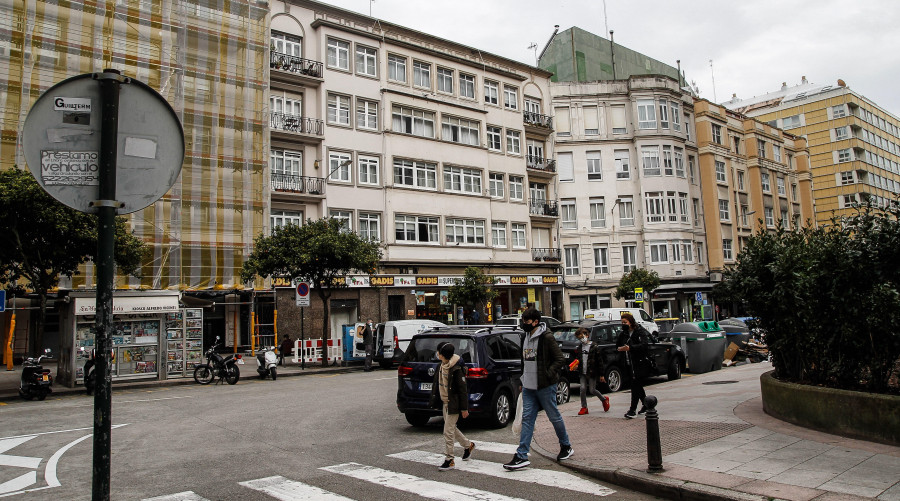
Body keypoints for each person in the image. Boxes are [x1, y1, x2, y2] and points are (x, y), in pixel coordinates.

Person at [504, 307, 573, 471]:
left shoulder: (546, 337)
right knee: (527, 419)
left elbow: (560, 359)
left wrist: (548, 375)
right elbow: (524, 360)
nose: (524, 324)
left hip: (544, 386)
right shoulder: (525, 336)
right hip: (528, 386)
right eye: (523, 321)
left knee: (553, 416)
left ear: (536, 322)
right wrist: (523, 378)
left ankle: (566, 446)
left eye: (526, 321)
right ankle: (521, 455)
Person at [428, 342, 475, 471]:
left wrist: (464, 409)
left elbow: (462, 390)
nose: (437, 354)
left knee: (447, 431)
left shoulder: (456, 369)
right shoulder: (442, 365)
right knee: (452, 428)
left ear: (442, 355)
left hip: (453, 403)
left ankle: (450, 459)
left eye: (438, 352)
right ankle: (468, 445)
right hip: (445, 402)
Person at [618, 312, 651, 419]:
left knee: (635, 386)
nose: (623, 324)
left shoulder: (639, 331)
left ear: (631, 322)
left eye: (625, 322)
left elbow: (644, 345)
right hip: (628, 363)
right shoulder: (624, 333)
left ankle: (632, 410)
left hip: (639, 362)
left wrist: (630, 348)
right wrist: (620, 348)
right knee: (637, 385)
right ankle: (646, 405)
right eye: (622, 322)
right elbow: (618, 344)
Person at [574, 327, 610, 415]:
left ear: (587, 335)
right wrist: (576, 365)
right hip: (583, 371)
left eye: (582, 337)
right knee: (582, 388)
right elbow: (578, 358)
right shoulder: (580, 347)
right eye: (579, 339)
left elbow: (600, 361)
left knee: (592, 390)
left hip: (592, 371)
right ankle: (584, 407)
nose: (582, 340)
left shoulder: (594, 346)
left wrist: (601, 375)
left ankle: (604, 399)